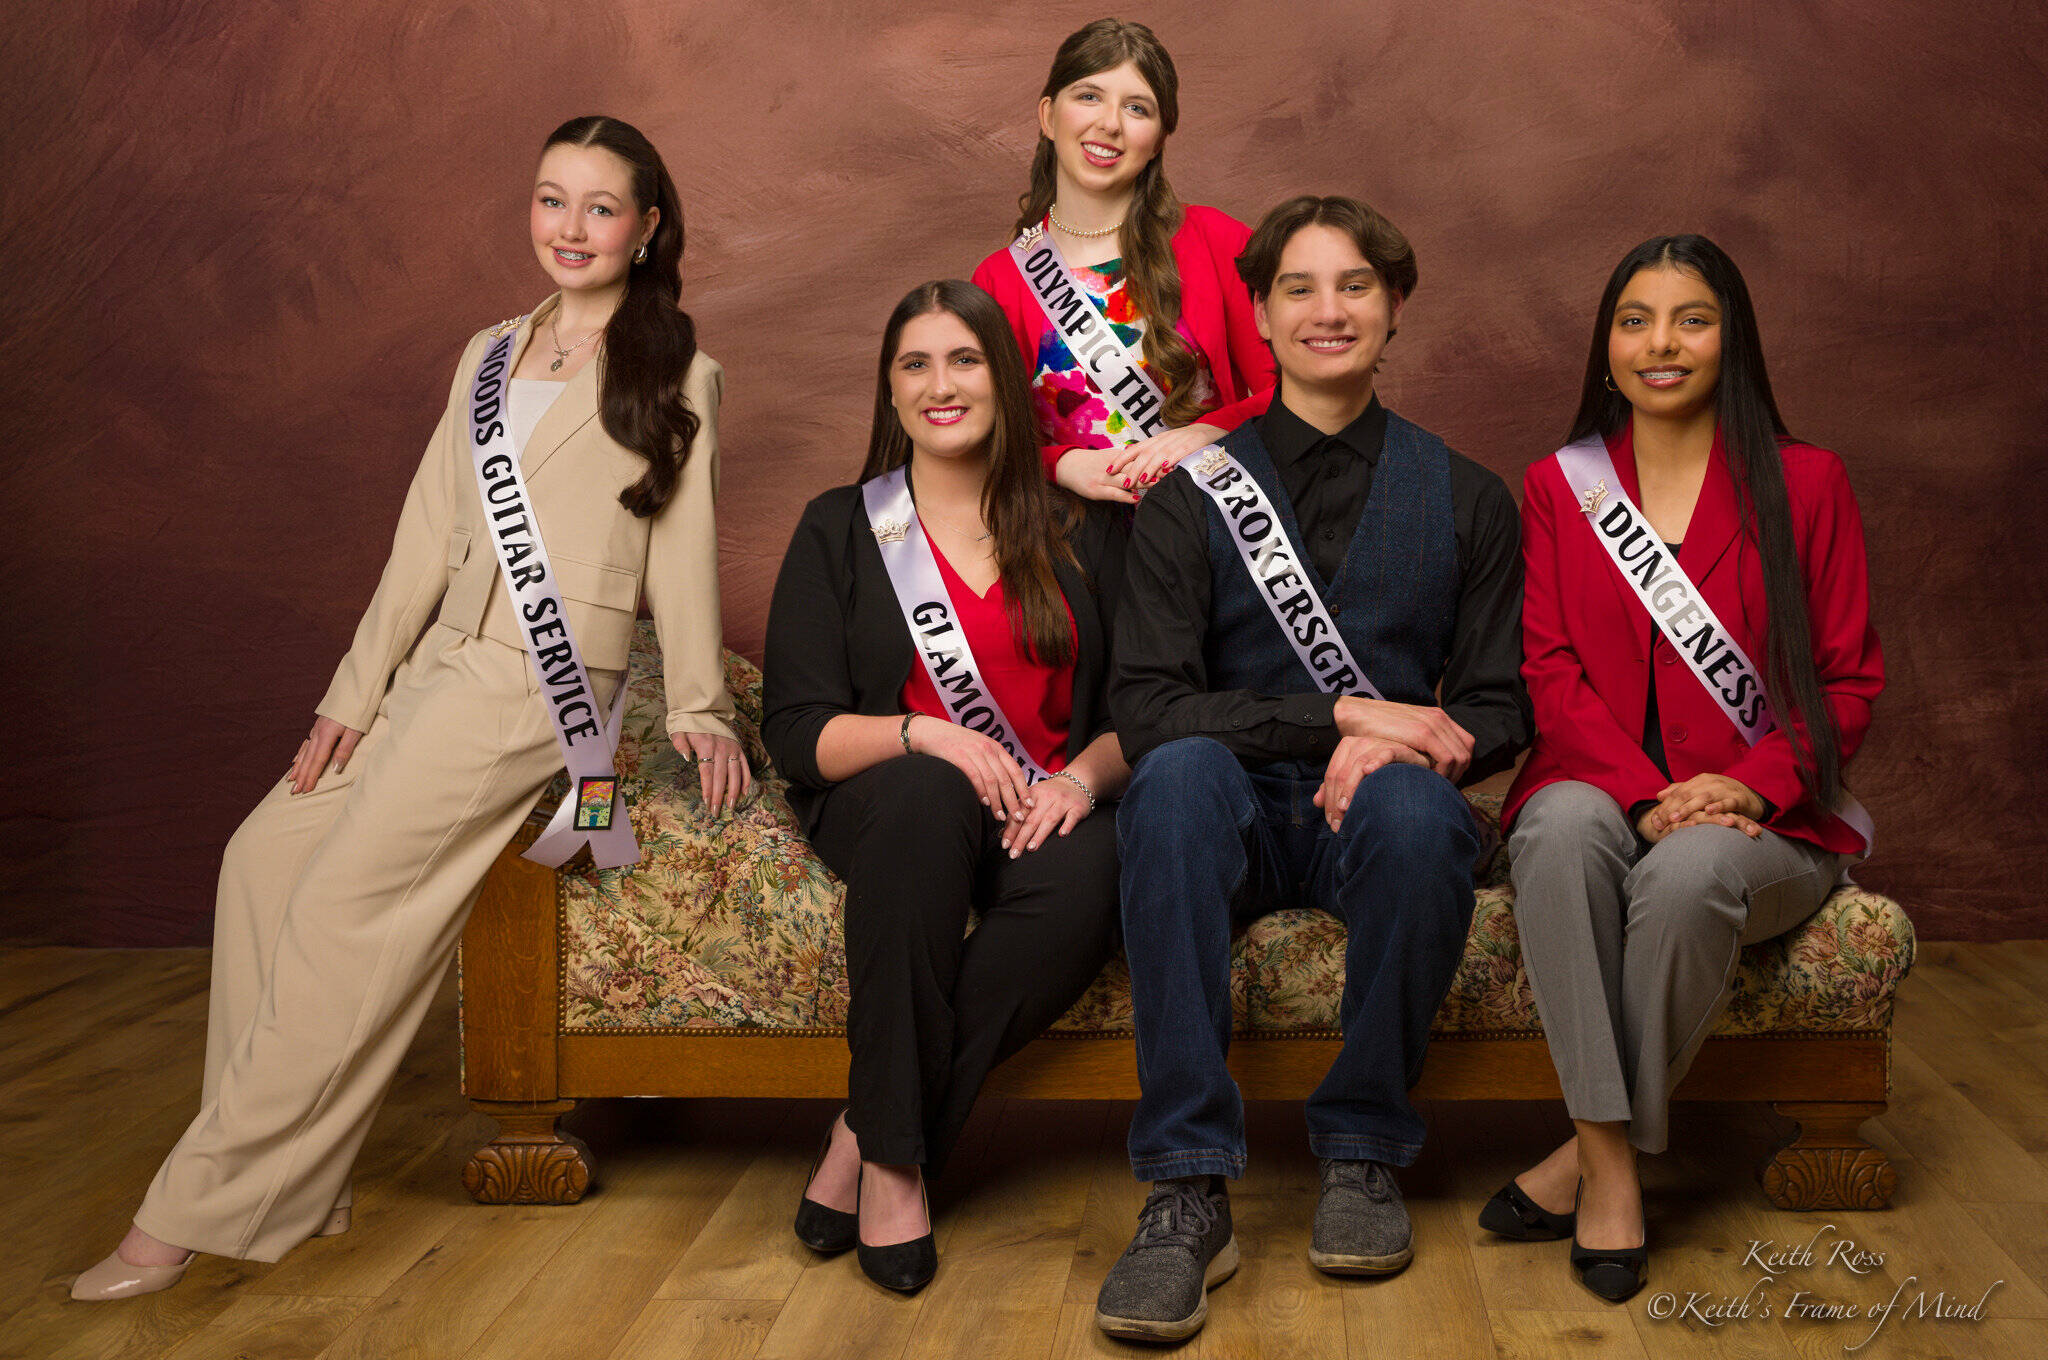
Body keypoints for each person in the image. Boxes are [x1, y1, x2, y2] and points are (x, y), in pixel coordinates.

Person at [71, 115, 747, 1301]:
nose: (570, 228)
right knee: (259, 861)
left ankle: (196, 1206)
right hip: (442, 655)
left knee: (338, 902)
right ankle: (294, 1179)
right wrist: (353, 691)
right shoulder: (485, 352)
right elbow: (420, 542)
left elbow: (681, 548)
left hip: (540, 677)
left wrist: (697, 702)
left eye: (599, 207)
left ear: (645, 229)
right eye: (551, 199)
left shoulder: (676, 370)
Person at [1095, 195, 1530, 1343]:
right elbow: (1144, 706)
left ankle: (1361, 1151)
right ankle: (1186, 1187)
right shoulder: (1191, 495)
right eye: (1297, 287)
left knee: (1409, 801)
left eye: (1353, 286)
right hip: (1223, 811)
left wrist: (1384, 747)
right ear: (1259, 311)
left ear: (1393, 310)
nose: (1326, 310)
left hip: (1378, 827)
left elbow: (1493, 707)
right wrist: (1339, 714)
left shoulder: (1471, 497)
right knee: (1175, 777)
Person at [1484, 235, 1883, 1302]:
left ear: (1731, 336)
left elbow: (1844, 680)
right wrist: (1644, 793)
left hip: (1763, 813)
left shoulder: (1806, 480)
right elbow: (1548, 668)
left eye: (1689, 318)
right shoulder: (1557, 487)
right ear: (1604, 342)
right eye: (1633, 319)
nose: (1659, 343)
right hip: (1597, 781)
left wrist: (1748, 782)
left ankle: (1581, 1156)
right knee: (1561, 833)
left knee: (1685, 876)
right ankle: (1613, 1164)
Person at [762, 279, 1129, 1295]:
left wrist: (1081, 782)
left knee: (1096, 869)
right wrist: (920, 732)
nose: (940, 384)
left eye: (963, 360)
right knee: (927, 796)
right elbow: (795, 731)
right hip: (892, 803)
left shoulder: (1079, 526)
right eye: (915, 364)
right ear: (888, 392)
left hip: (1039, 804)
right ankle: (894, 1169)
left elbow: (1141, 704)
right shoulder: (838, 526)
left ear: (1003, 381)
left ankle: (866, 1124)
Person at [971, 17, 1275, 505]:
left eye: (1137, 108)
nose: (1109, 123)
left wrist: (1208, 432)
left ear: (1158, 138)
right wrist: (1063, 463)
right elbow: (986, 438)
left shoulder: (1218, 241)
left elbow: (1293, 393)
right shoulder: (999, 279)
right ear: (1048, 117)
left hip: (1216, 534)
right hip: (1073, 545)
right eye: (1089, 96)